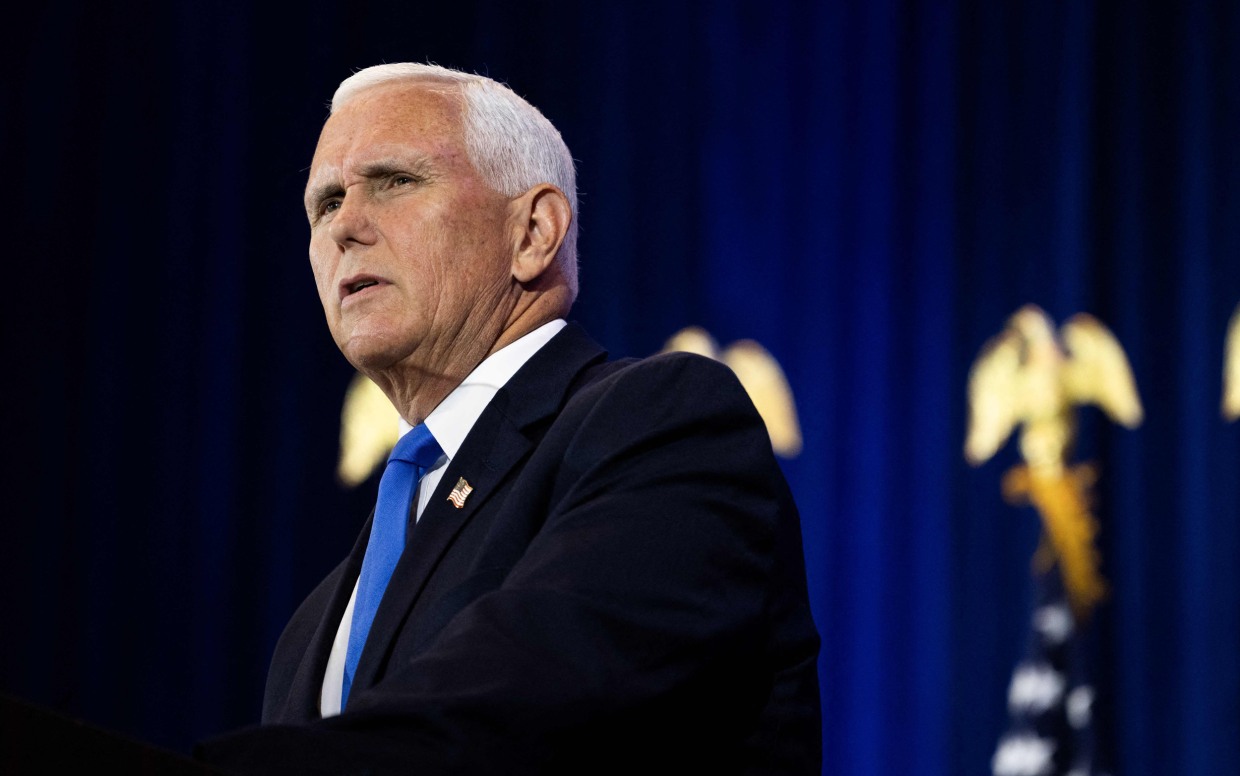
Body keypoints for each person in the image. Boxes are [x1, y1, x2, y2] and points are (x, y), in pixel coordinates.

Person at [199, 63, 820, 775]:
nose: (345, 226)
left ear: (534, 231)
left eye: (396, 181)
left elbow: (523, 705)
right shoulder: (312, 627)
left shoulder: (662, 424)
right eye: (326, 201)